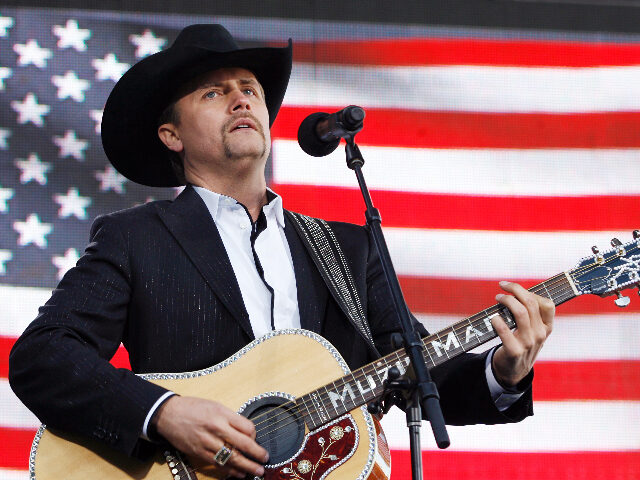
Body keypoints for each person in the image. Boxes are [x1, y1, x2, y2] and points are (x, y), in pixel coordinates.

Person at [9, 24, 554, 479]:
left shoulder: (346, 247)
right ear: (171, 136)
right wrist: (165, 413)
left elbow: (414, 370)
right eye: (214, 92)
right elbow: (42, 358)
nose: (242, 97)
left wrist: (503, 371)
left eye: (249, 88)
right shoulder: (136, 237)